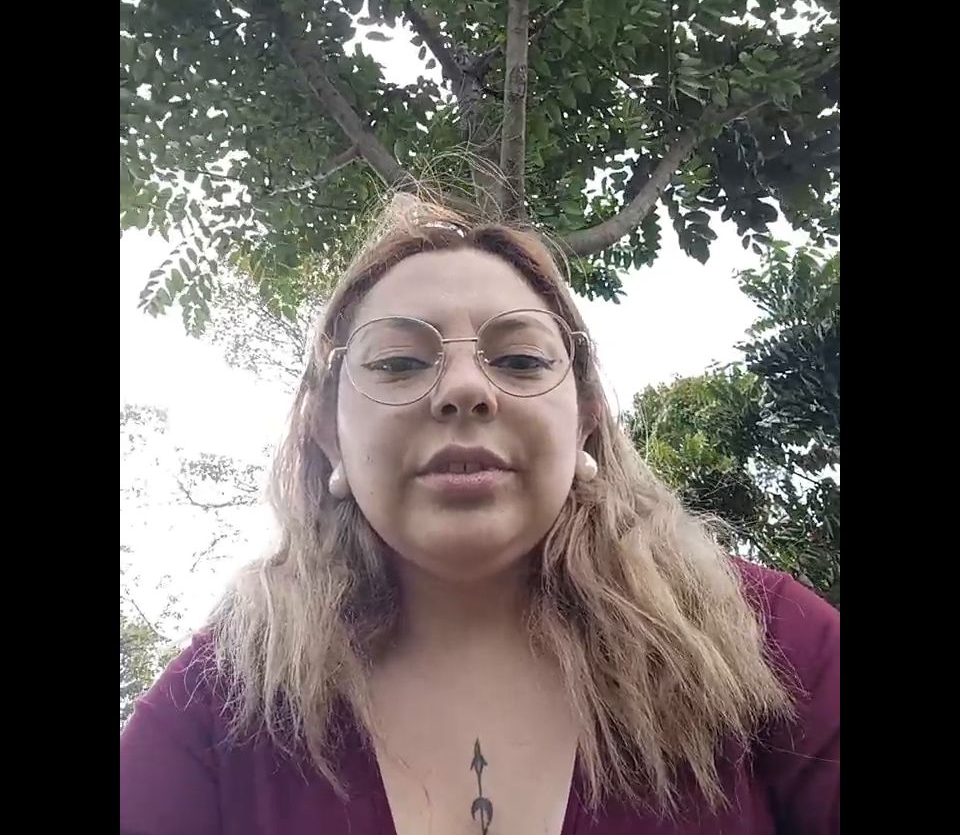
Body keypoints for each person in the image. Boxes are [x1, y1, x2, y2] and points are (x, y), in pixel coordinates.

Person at [120, 197, 839, 835]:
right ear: (328, 435)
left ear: (586, 422)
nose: (464, 389)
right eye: (399, 363)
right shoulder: (224, 700)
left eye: (520, 359)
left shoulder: (765, 638)